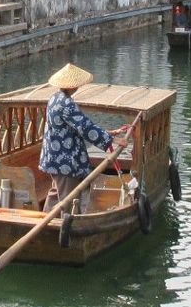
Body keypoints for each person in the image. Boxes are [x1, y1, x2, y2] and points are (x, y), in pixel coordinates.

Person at [39, 63, 128, 213]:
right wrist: (111, 140)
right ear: (73, 86)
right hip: (64, 160)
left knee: (57, 193)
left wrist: (108, 133)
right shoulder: (66, 103)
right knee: (66, 197)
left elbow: (74, 126)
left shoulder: (54, 98)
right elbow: (85, 127)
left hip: (53, 157)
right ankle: (62, 226)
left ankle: (47, 221)